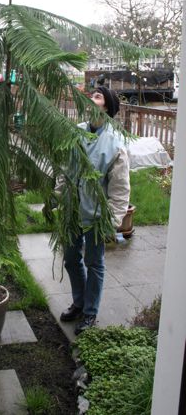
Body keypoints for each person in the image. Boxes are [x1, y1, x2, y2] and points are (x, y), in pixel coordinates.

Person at [60, 86, 130, 334]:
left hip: (97, 217)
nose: (91, 98)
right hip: (72, 212)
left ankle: (90, 313)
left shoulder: (115, 143)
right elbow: (65, 168)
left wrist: (111, 222)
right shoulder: (78, 132)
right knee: (70, 258)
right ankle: (79, 303)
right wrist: (59, 196)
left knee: (94, 262)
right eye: (91, 95)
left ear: (107, 107)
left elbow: (120, 190)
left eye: (97, 96)